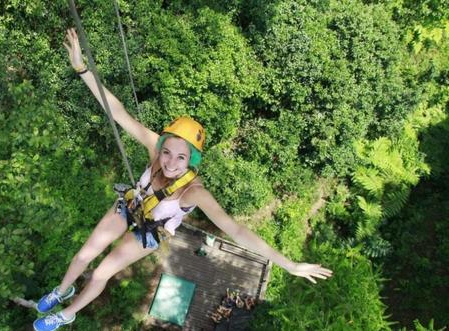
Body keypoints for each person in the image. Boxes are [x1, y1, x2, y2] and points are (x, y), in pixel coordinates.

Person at [32, 28, 333, 331]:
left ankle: (67, 313)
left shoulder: (193, 192)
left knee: (101, 274)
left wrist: (289, 264)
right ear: (161, 147)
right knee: (84, 254)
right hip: (132, 205)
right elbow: (119, 113)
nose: (171, 163)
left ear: (191, 161)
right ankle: (62, 290)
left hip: (151, 231)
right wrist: (82, 68)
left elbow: (237, 230)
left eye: (181, 158)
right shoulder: (155, 150)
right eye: (168, 153)